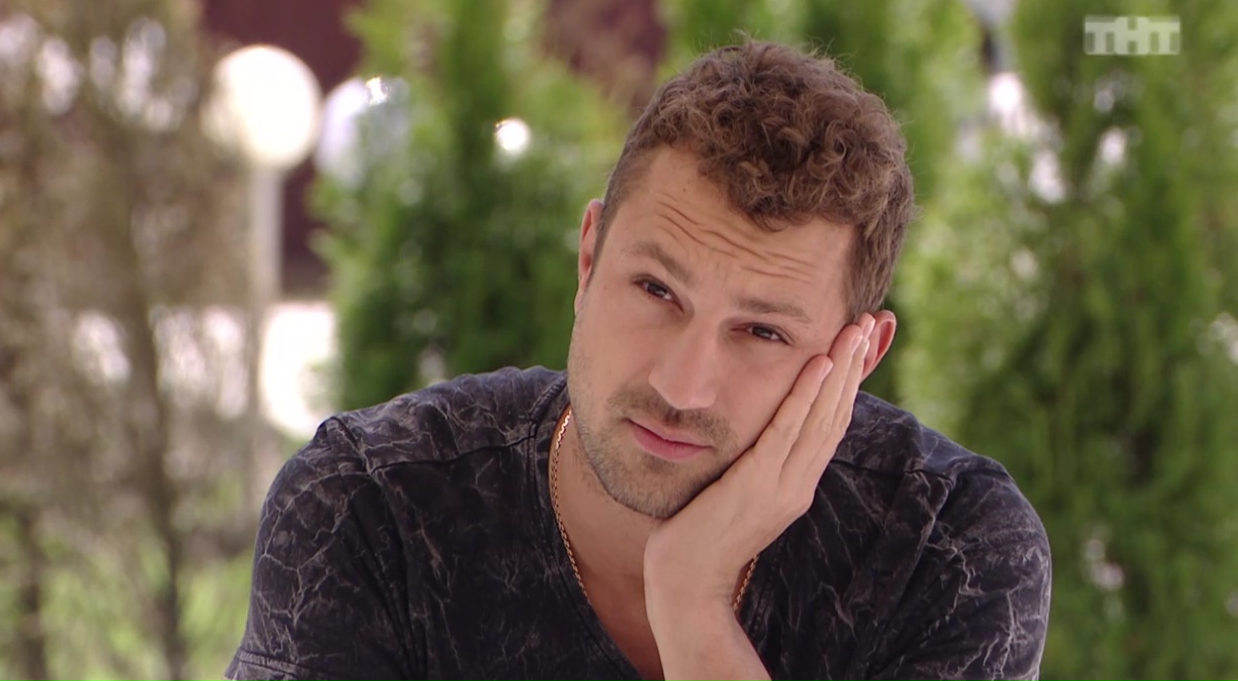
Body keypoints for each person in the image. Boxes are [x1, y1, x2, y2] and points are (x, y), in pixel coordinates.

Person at [226, 41, 1051, 681]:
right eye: (657, 290)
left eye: (762, 333)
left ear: (856, 358)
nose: (679, 385)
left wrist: (692, 606)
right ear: (589, 258)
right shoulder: (372, 508)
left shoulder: (946, 552)